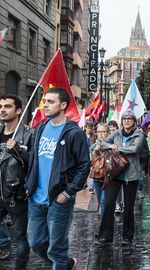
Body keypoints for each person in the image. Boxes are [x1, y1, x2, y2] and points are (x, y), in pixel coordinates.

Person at [25, 87, 90, 269]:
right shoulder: (40, 129)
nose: (45, 105)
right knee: (36, 243)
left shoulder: (74, 132)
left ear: (62, 105)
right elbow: (33, 159)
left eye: (50, 102)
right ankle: (66, 264)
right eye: (45, 101)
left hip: (58, 199)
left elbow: (84, 165)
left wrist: (68, 193)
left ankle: (60, 262)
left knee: (57, 249)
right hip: (36, 199)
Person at [94, 110, 144, 246]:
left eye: (129, 119)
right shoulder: (117, 133)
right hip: (115, 173)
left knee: (129, 207)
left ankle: (127, 236)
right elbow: (103, 143)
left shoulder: (139, 134)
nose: (126, 121)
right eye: (124, 119)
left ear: (134, 121)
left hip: (131, 175)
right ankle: (105, 235)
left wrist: (117, 148)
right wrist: (110, 146)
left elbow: (134, 149)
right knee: (109, 203)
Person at [0, 94, 34, 269]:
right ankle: (3, 245)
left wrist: (18, 150)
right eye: (1, 106)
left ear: (19, 110)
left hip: (16, 195)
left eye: (7, 106)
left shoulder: (29, 135)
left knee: (22, 237)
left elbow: (33, 164)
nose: (3, 110)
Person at [89, 123, 111, 216]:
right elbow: (90, 161)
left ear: (108, 133)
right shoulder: (93, 146)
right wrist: (94, 152)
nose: (101, 134)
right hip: (97, 177)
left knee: (103, 202)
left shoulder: (111, 145)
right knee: (100, 202)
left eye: (103, 131)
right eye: (99, 132)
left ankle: (104, 227)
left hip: (108, 177)